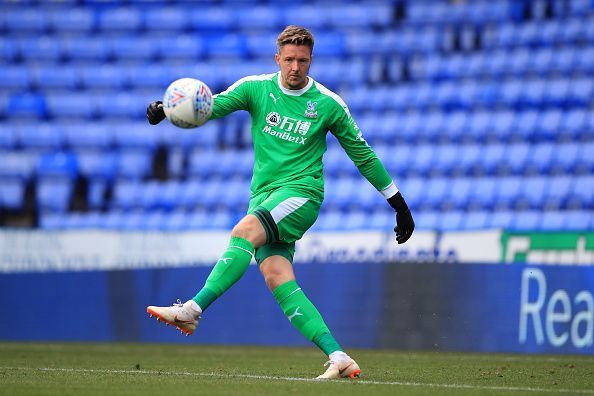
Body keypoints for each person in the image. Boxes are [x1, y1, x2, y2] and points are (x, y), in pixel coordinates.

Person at [145, 25, 414, 380]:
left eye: (302, 61)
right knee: (276, 276)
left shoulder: (328, 104)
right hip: (265, 196)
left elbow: (362, 154)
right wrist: (167, 109)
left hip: (302, 194)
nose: (295, 67)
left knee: (244, 231)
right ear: (278, 59)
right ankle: (339, 356)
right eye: (289, 60)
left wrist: (398, 203)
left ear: (310, 60)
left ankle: (192, 310)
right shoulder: (256, 88)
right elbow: (211, 106)